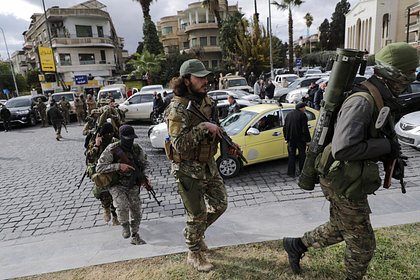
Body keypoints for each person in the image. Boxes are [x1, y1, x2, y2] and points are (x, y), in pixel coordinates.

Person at [282, 42, 419, 280]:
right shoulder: (363, 101)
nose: (412, 78)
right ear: (395, 73)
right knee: (363, 244)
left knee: (339, 228)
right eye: (410, 73)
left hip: (348, 176)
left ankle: (296, 245)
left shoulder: (378, 94)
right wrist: (386, 146)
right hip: (341, 179)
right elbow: (343, 148)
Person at [165, 59, 238, 272]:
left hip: (208, 163)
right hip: (187, 169)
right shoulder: (177, 108)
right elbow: (178, 145)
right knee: (196, 214)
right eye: (200, 77)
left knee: (220, 204)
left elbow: (218, 127)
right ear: (186, 80)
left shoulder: (207, 101)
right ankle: (194, 252)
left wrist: (230, 144)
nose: (206, 81)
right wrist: (204, 127)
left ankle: (194, 234)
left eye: (206, 76)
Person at [96, 124, 150, 245]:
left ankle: (135, 235)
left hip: (133, 184)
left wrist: (144, 178)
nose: (129, 141)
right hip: (117, 184)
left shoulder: (136, 148)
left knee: (136, 210)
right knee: (122, 206)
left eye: (132, 138)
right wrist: (119, 166)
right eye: (127, 138)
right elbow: (99, 168)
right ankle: (125, 225)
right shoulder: (112, 149)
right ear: (121, 137)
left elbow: (144, 164)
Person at [85, 122, 119, 225]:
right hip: (100, 172)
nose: (109, 136)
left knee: (114, 193)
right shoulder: (95, 142)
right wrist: (96, 145)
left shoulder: (115, 141)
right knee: (104, 194)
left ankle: (115, 217)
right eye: (106, 134)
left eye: (111, 133)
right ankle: (106, 209)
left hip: (112, 170)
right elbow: (89, 157)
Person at [283, 102, 311, 177]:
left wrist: (286, 137)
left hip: (291, 139)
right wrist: (308, 140)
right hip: (300, 140)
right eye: (304, 108)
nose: (305, 109)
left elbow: (285, 127)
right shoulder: (302, 115)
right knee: (302, 155)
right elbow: (304, 129)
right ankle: (302, 171)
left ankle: (291, 172)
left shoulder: (289, 115)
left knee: (291, 156)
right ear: (301, 108)